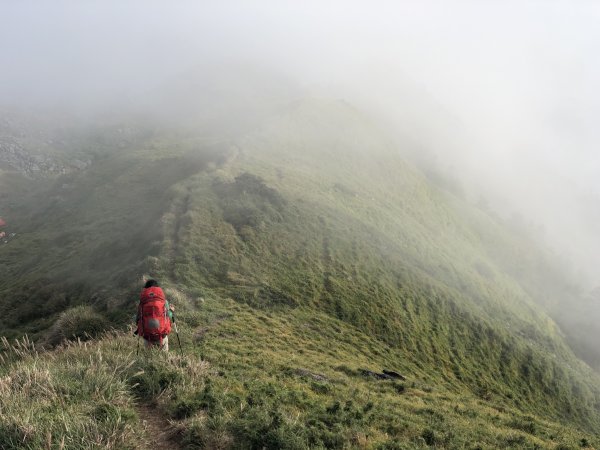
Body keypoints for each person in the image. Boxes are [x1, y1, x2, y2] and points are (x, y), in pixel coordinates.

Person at [136, 279, 175, 351]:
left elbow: (137, 319)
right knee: (164, 359)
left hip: (147, 337)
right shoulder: (164, 301)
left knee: (148, 358)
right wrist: (171, 311)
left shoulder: (142, 303)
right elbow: (168, 316)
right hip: (162, 335)